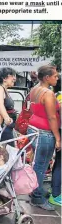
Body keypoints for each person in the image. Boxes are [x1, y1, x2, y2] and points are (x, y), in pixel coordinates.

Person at [27, 65, 60, 211]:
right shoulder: (48, 93)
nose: (57, 78)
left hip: (34, 128)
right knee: (41, 166)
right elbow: (52, 117)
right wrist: (58, 138)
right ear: (47, 78)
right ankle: (37, 197)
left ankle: (36, 190)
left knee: (37, 165)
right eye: (55, 76)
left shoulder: (35, 89)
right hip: (45, 132)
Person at [0, 67, 17, 146]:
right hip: (3, 124)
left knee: (3, 148)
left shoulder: (3, 89)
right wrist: (6, 117)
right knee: (7, 148)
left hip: (6, 124)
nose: (14, 78)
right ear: (4, 78)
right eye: (12, 76)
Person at [50, 77, 61, 206]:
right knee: (60, 164)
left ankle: (54, 190)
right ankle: (56, 195)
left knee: (58, 162)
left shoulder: (55, 95)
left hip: (56, 131)